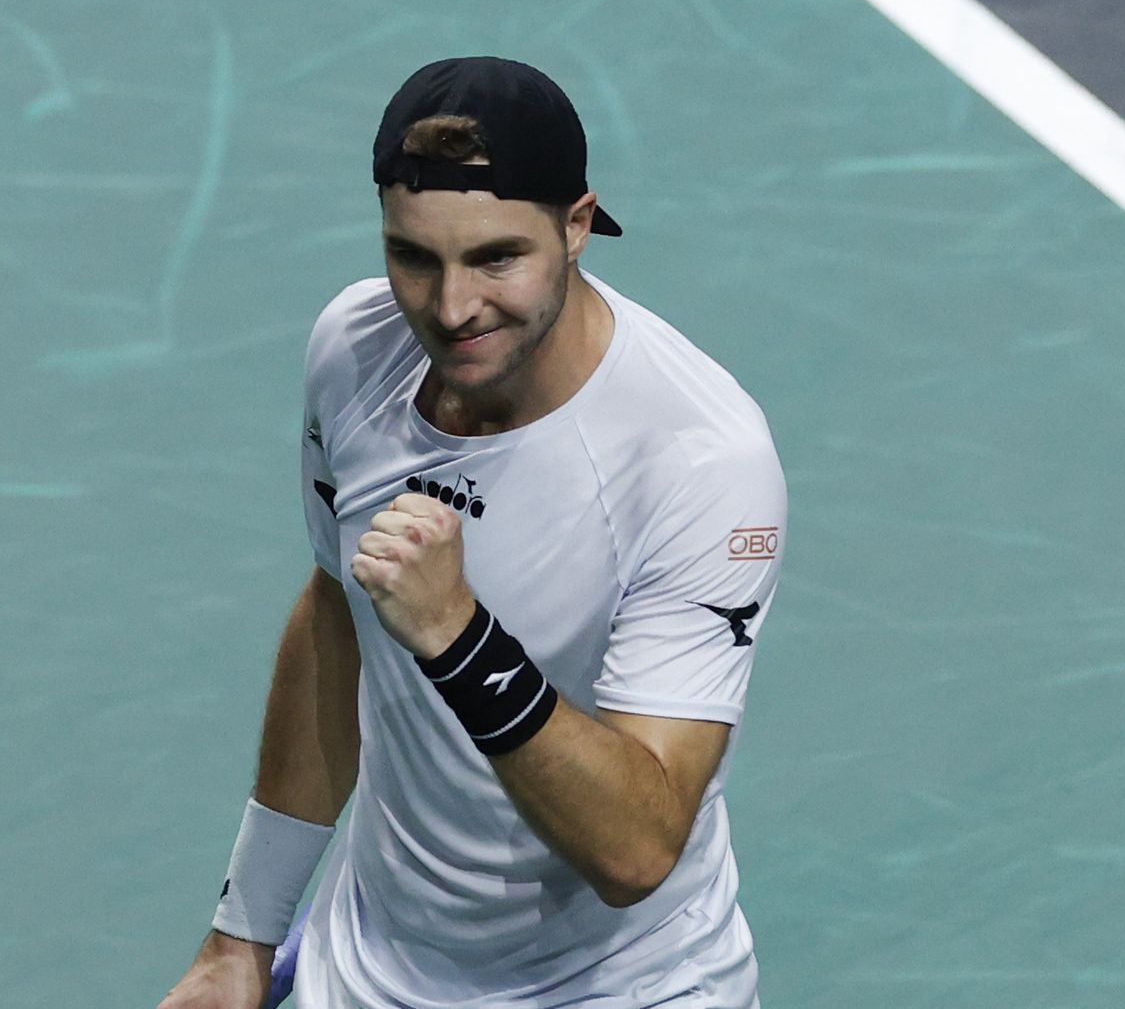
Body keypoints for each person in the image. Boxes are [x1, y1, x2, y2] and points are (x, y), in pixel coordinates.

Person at [157, 56, 787, 1009]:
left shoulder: (697, 460)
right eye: (414, 258)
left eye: (496, 258)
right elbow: (337, 619)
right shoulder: (354, 350)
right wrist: (241, 934)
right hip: (366, 971)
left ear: (577, 225)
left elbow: (638, 847)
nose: (451, 309)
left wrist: (458, 636)